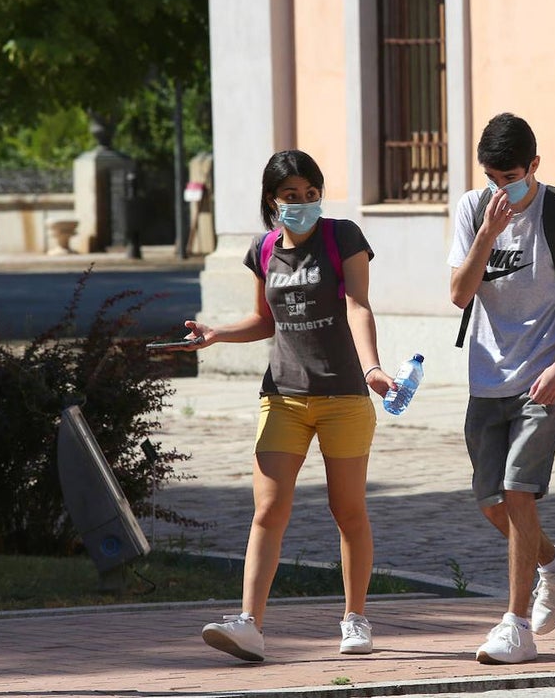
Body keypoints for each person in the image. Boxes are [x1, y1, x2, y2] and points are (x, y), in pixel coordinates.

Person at [169, 150, 395, 662]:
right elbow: (265, 321)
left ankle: (355, 617)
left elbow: (357, 304)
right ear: (273, 200)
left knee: (348, 509)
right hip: (283, 397)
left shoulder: (343, 237)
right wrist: (216, 334)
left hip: (343, 396)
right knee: (268, 509)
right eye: (291, 196)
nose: (303, 204)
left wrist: (373, 368)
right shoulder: (265, 248)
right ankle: (250, 624)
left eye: (311, 194)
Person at [447, 113, 555, 664]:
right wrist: (488, 232)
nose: (500, 188)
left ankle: (516, 627)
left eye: (510, 177)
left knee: (518, 493)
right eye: (492, 177)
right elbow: (459, 295)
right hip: (487, 377)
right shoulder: (473, 209)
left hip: (543, 374)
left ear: (534, 165)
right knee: (493, 504)